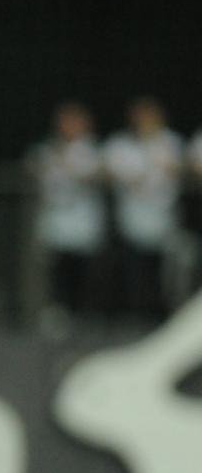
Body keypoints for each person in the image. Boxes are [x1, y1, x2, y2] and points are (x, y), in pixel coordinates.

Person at [103, 97, 185, 321]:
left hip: (162, 219)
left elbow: (181, 170)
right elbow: (107, 174)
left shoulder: (171, 142)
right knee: (133, 271)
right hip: (132, 219)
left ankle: (160, 316)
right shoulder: (120, 144)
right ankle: (133, 315)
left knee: (162, 273)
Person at [28, 102, 107, 319]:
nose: (69, 127)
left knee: (83, 270)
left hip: (82, 220)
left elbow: (97, 175)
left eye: (74, 122)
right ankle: (58, 312)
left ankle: (83, 313)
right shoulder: (48, 149)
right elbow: (35, 169)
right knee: (57, 270)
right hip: (56, 220)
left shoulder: (93, 150)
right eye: (65, 122)